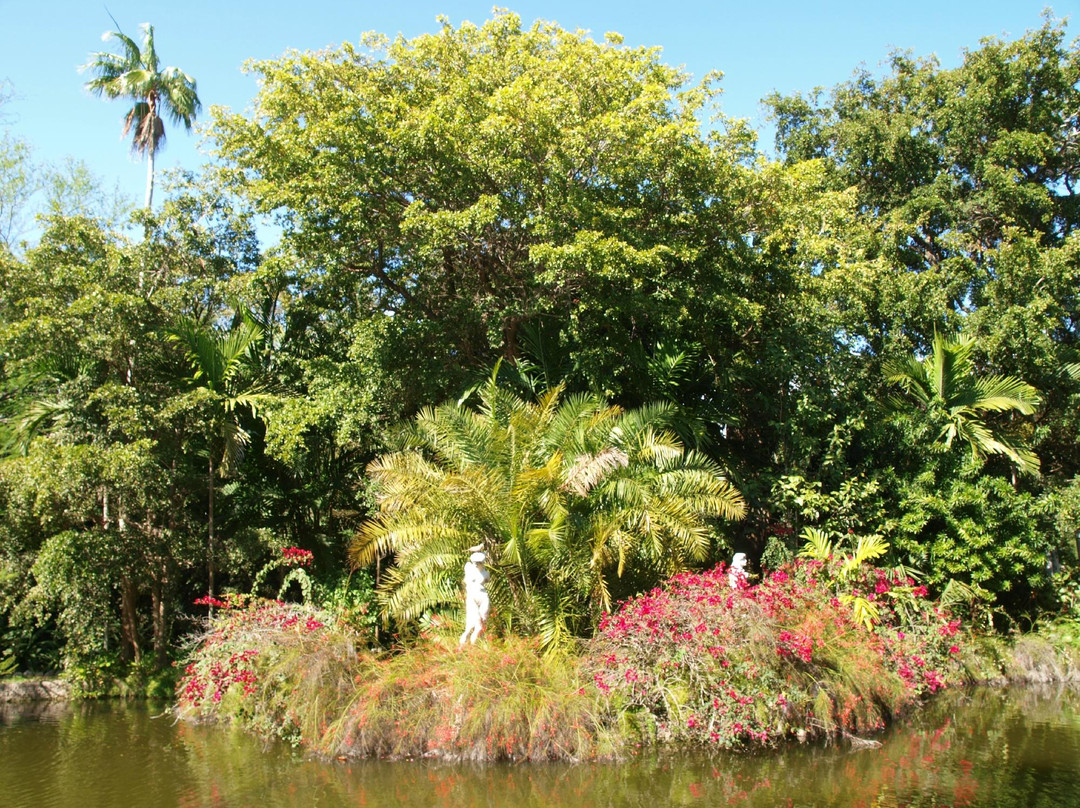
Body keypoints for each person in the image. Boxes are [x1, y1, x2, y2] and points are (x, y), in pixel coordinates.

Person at [459, 545, 491, 645]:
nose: (477, 564)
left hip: (483, 596)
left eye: (479, 562)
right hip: (472, 596)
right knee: (474, 623)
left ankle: (478, 643)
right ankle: (471, 644)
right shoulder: (469, 570)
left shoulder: (486, 573)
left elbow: (487, 580)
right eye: (476, 562)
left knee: (483, 620)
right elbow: (466, 581)